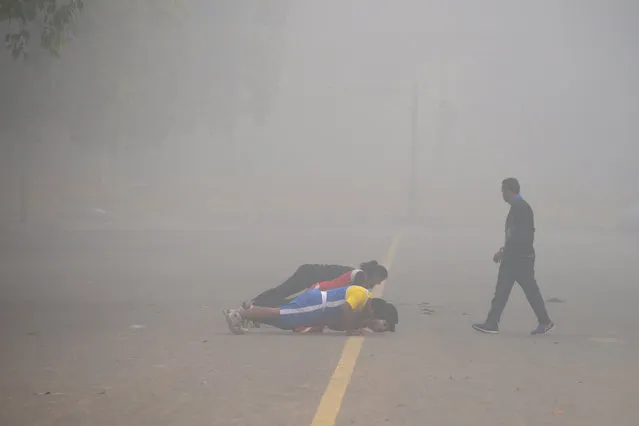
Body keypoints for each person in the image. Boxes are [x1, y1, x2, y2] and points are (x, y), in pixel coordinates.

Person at [473, 178, 555, 335]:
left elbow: (522, 236)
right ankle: (492, 323)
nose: (502, 194)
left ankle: (544, 322)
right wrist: (505, 251)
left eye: (503, 191)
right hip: (516, 257)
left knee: (526, 291)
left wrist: (505, 253)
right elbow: (515, 235)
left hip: (519, 259)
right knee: (504, 291)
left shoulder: (521, 208)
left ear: (509, 190)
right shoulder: (518, 207)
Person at [223, 285, 398, 335]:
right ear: (375, 311)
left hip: (317, 309)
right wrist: (352, 329)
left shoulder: (362, 309)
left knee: (283, 319)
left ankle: (249, 311)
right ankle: (238, 314)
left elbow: (335, 325)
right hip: (316, 304)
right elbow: (345, 309)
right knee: (280, 314)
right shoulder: (361, 295)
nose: (379, 329)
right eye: (382, 324)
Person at [246, 260, 389, 308]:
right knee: (285, 296)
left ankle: (255, 305)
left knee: (286, 297)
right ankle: (255, 305)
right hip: (310, 275)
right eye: (380, 279)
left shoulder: (359, 277)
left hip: (314, 278)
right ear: (375, 275)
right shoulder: (359, 276)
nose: (379, 283)